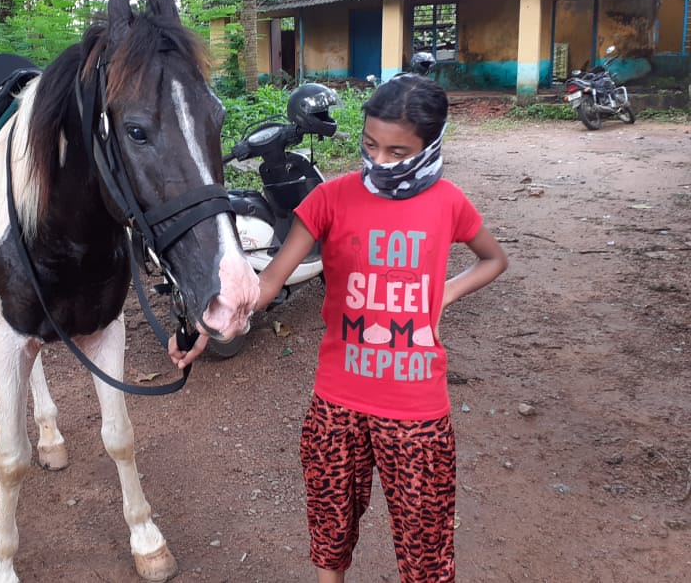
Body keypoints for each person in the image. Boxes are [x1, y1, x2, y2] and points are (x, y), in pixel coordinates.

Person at [171, 73, 508, 582]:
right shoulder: (332, 199)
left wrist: (447, 292)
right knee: (330, 534)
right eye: (371, 145)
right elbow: (266, 287)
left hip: (418, 412)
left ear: (430, 144)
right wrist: (212, 323)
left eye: (398, 151)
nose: (380, 162)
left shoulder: (449, 203)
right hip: (338, 404)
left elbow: (492, 259)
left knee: (427, 549)